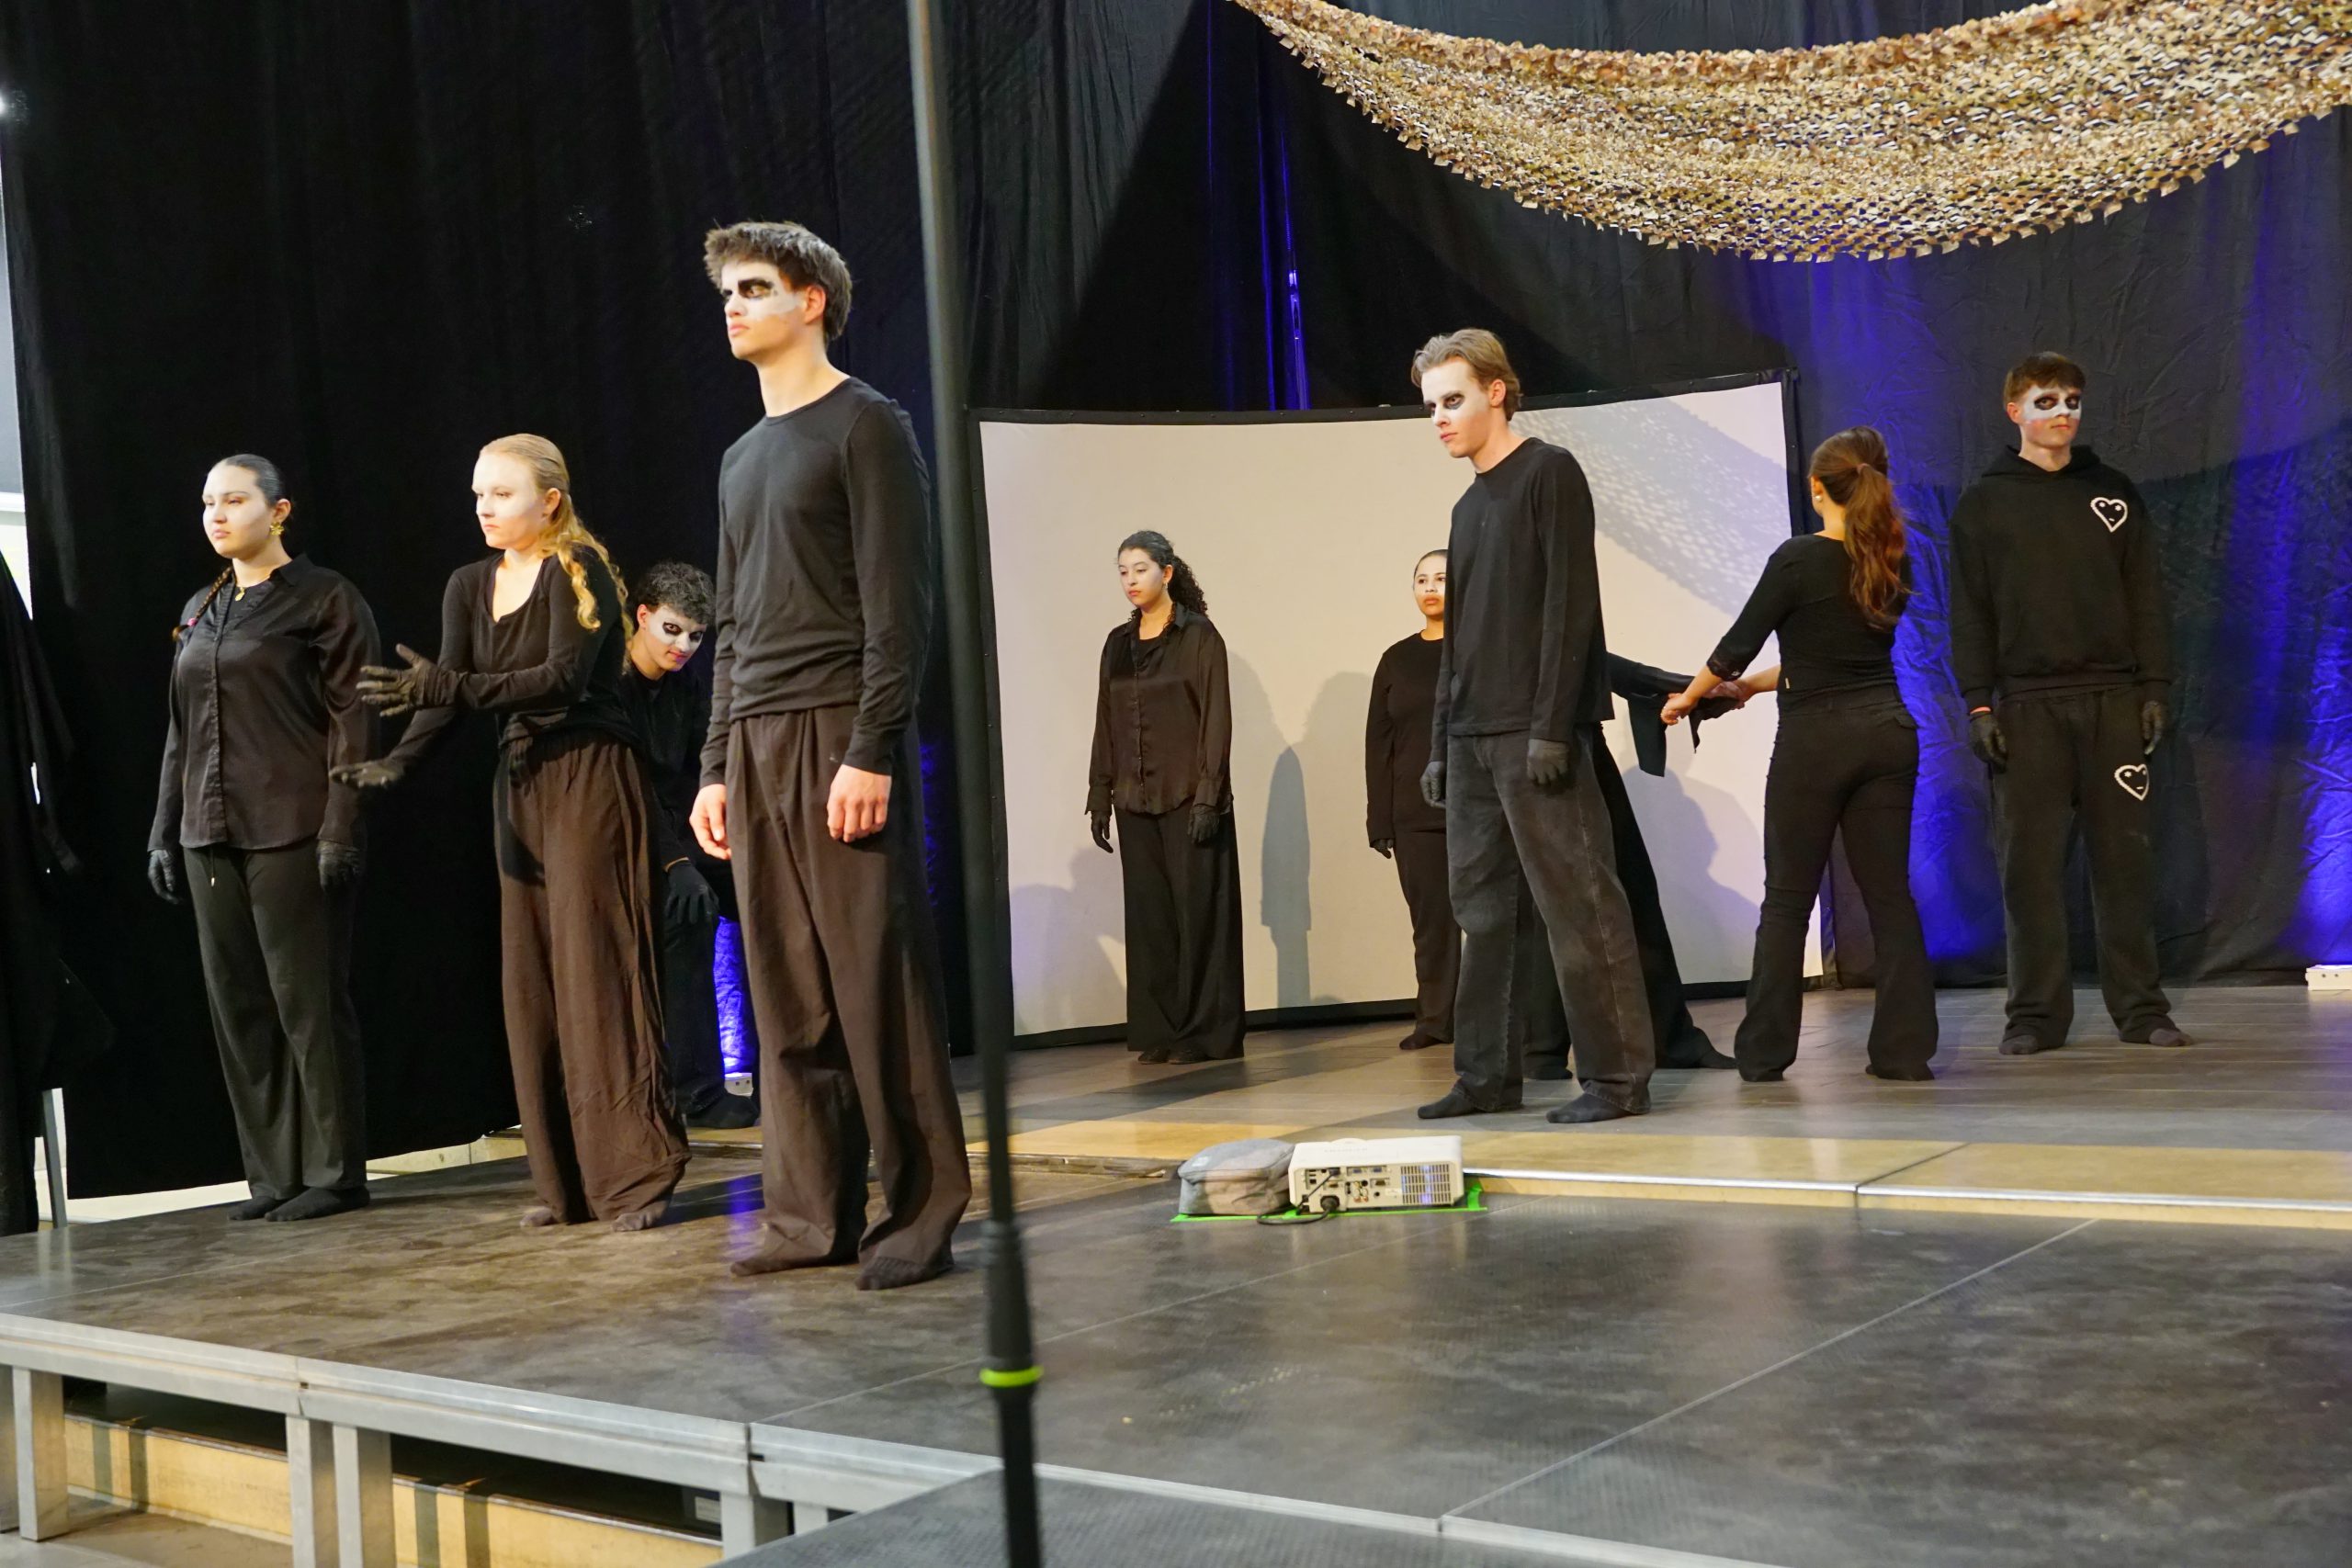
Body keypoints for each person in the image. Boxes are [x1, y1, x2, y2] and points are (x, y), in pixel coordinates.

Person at [688, 220, 968, 1290]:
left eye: (754, 287)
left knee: (873, 980)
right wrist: (715, 767)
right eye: (728, 291)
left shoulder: (866, 425)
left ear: (812, 301)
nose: (734, 305)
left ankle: (922, 1210)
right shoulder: (740, 456)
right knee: (784, 988)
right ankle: (810, 1216)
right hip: (755, 740)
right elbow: (732, 625)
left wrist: (871, 749)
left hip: (837, 728)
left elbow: (900, 609)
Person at [336, 435, 686, 1232]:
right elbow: (447, 693)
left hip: (589, 776)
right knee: (533, 979)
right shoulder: (469, 583)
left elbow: (559, 679)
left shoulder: (577, 568)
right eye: (477, 494)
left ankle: (637, 1175)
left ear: (549, 501)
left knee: (597, 970)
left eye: (501, 493)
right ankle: (569, 1183)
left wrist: (449, 685)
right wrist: (398, 763)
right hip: (521, 784)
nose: (483, 508)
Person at [1411, 329, 1656, 1125]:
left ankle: (1616, 1079)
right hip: (1474, 738)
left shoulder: (1549, 473)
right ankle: (1487, 1075)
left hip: (1534, 732)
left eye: (1452, 400)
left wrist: (1553, 724)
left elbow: (1569, 607)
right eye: (1432, 406)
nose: (1440, 418)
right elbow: (1458, 640)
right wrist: (1442, 741)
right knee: (1483, 914)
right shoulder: (1465, 506)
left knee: (1580, 905)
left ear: (1497, 391)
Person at [1663, 427, 1939, 1081]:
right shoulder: (1892, 557)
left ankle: (1764, 1054)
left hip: (1816, 741)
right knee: (1890, 897)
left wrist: (1687, 698)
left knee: (1787, 900)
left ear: (1818, 488)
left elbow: (1736, 646)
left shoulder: (1797, 558)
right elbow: (1832, 654)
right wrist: (1753, 689)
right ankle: (1904, 1053)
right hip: (1887, 732)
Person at [149, 455, 376, 1222]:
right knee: (239, 1006)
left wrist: (342, 824)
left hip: (293, 826)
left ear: (278, 511)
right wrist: (163, 829)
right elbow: (180, 732)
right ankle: (274, 1174)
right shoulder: (201, 607)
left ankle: (334, 1171)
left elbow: (355, 721)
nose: (216, 515)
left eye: (234, 500)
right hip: (207, 830)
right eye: (207, 502)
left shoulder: (325, 599)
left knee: (307, 1001)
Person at [1949, 353, 2188, 1054]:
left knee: (2125, 864)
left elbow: (2146, 598)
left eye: (2073, 401)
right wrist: (1978, 705)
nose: (2063, 413)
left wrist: (2154, 687)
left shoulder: (2113, 493)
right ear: (2014, 410)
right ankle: (2033, 1016)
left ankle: (2141, 1011)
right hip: (2028, 707)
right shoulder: (1983, 506)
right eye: (2047, 401)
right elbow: (1969, 613)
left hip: (2113, 701)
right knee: (2028, 870)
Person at [1090, 530, 1245, 1064]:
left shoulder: (1199, 636)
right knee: (1151, 919)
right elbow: (1105, 721)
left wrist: (1209, 795)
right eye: (1123, 572)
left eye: (1140, 569)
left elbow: (1216, 720)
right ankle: (1161, 1030)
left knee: (1198, 916)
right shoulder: (1117, 644)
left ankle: (1204, 1034)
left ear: (1167, 572)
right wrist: (1100, 792)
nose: (1131, 581)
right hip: (1135, 798)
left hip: (1188, 796)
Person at [616, 561, 756, 1131]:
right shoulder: (611, 684)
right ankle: (694, 1091)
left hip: (685, 826)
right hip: (633, 836)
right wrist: (676, 862)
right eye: (672, 630)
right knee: (688, 911)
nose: (683, 647)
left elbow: (705, 768)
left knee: (766, 896)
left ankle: (791, 1066)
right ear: (643, 616)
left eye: (696, 636)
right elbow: (626, 791)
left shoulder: (689, 685)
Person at [1366, 550, 1453, 1053]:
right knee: (1431, 923)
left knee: (1495, 920)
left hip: (1478, 807)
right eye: (1422, 580)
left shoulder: (1479, 651)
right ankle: (1437, 1020)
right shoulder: (1396, 659)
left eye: (1441, 578)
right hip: (1414, 814)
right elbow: (1378, 742)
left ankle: (1504, 1020)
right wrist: (1380, 819)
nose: (1430, 588)